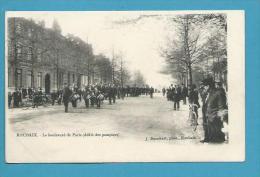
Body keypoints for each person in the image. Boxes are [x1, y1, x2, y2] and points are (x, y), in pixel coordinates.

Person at [200, 77, 228, 143]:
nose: (203, 88)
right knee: (211, 140)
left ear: (208, 86)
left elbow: (222, 108)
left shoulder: (218, 93)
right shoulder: (207, 94)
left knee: (216, 141)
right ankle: (207, 138)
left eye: (204, 86)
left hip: (215, 121)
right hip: (208, 118)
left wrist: (216, 117)